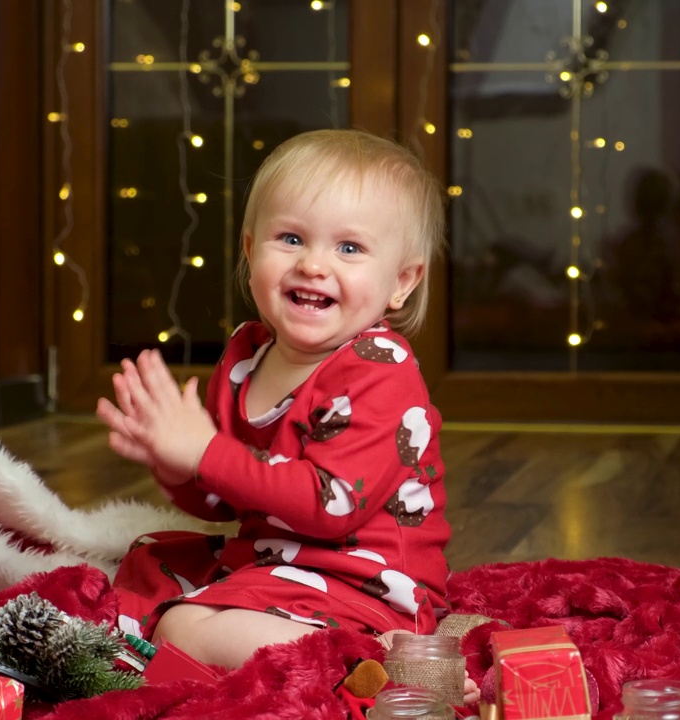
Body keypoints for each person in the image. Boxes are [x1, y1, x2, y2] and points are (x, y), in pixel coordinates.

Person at [97, 129, 476, 701]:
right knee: (148, 561)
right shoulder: (248, 354)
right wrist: (175, 461)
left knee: (179, 624)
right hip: (277, 563)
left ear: (401, 281)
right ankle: (220, 664)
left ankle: (374, 667)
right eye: (291, 238)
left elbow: (330, 507)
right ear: (250, 250)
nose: (314, 265)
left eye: (350, 248)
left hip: (365, 587)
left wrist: (206, 451)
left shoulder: (381, 368)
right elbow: (225, 495)